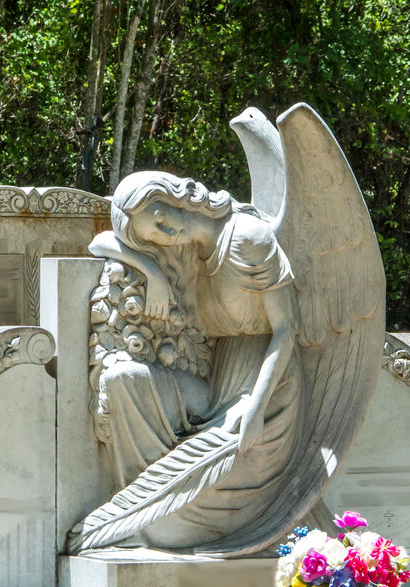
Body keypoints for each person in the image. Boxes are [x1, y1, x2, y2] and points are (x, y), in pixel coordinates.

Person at [74, 171, 302, 552]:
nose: (167, 230)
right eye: (156, 234)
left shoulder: (247, 237)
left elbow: (287, 329)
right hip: (219, 382)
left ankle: (147, 519)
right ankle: (140, 506)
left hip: (268, 385)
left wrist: (257, 408)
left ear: (173, 194)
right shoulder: (185, 251)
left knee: (190, 504)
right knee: (122, 381)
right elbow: (101, 242)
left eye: (160, 214)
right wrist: (151, 271)